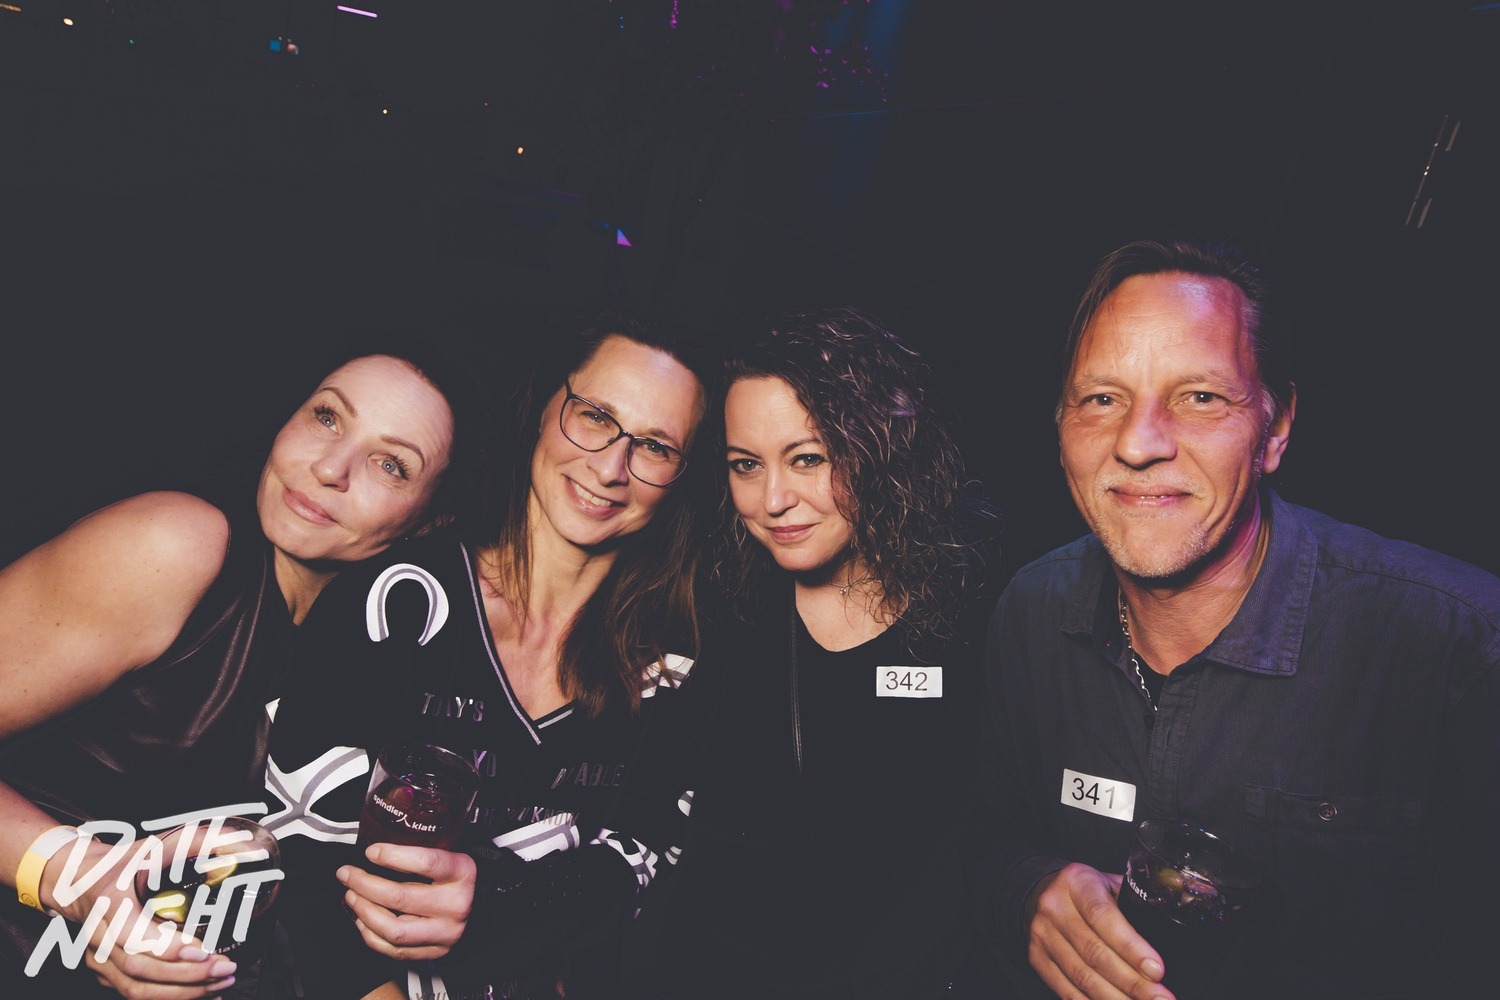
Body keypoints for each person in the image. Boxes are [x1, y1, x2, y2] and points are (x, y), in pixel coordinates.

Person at [973, 236, 1500, 999]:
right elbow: (980, 834)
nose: (1138, 443)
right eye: (1102, 399)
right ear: (1060, 431)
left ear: (1275, 429)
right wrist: (1027, 888)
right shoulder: (1031, 611)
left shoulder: (1457, 651)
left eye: (1199, 397)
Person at [0, 337, 485, 1000]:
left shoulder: (377, 654)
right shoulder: (176, 543)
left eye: (391, 465)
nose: (330, 468)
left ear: (429, 520)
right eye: (327, 416)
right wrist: (62, 870)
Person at [254, 308, 714, 1000]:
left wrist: (502, 903)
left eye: (655, 447)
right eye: (594, 416)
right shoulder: (398, 602)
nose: (609, 467)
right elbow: (304, 869)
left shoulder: (672, 670)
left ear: (683, 477)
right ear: (545, 408)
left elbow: (639, 868)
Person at [625, 306, 999, 1000]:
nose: (772, 499)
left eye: (807, 458)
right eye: (746, 465)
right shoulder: (714, 611)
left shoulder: (976, 615)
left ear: (879, 449)